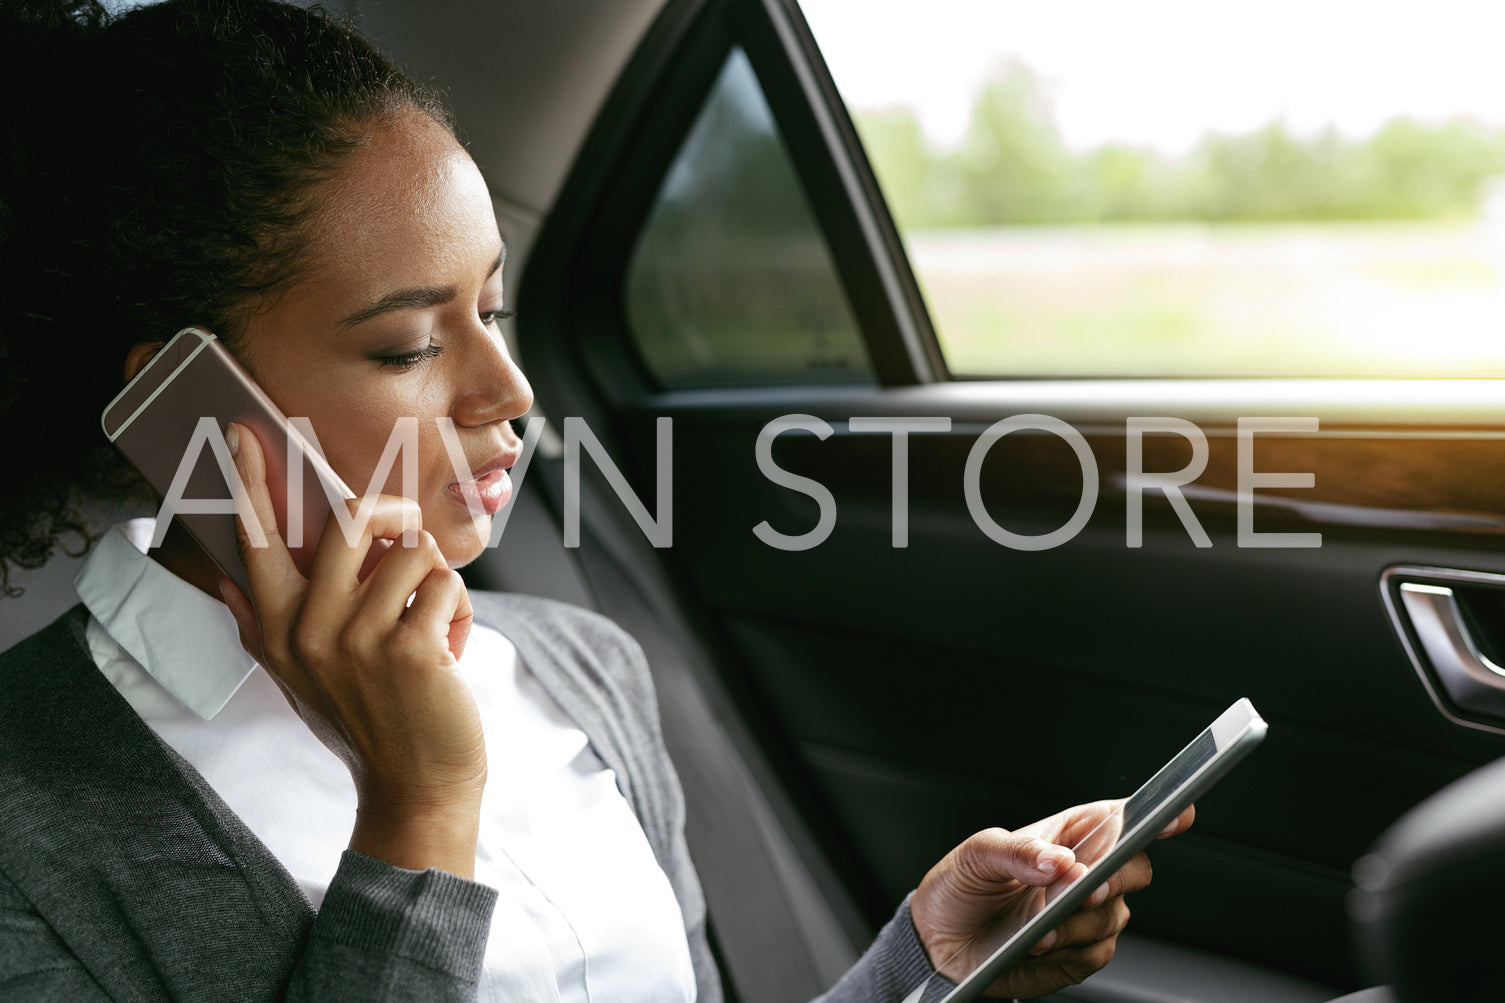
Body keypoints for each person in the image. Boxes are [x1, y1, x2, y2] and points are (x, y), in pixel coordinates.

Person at [0, 1, 1192, 999]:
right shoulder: (28, 824)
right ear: (187, 408)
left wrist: (919, 965)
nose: (507, 388)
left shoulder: (579, 667)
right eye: (411, 344)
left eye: (494, 309)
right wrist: (418, 812)